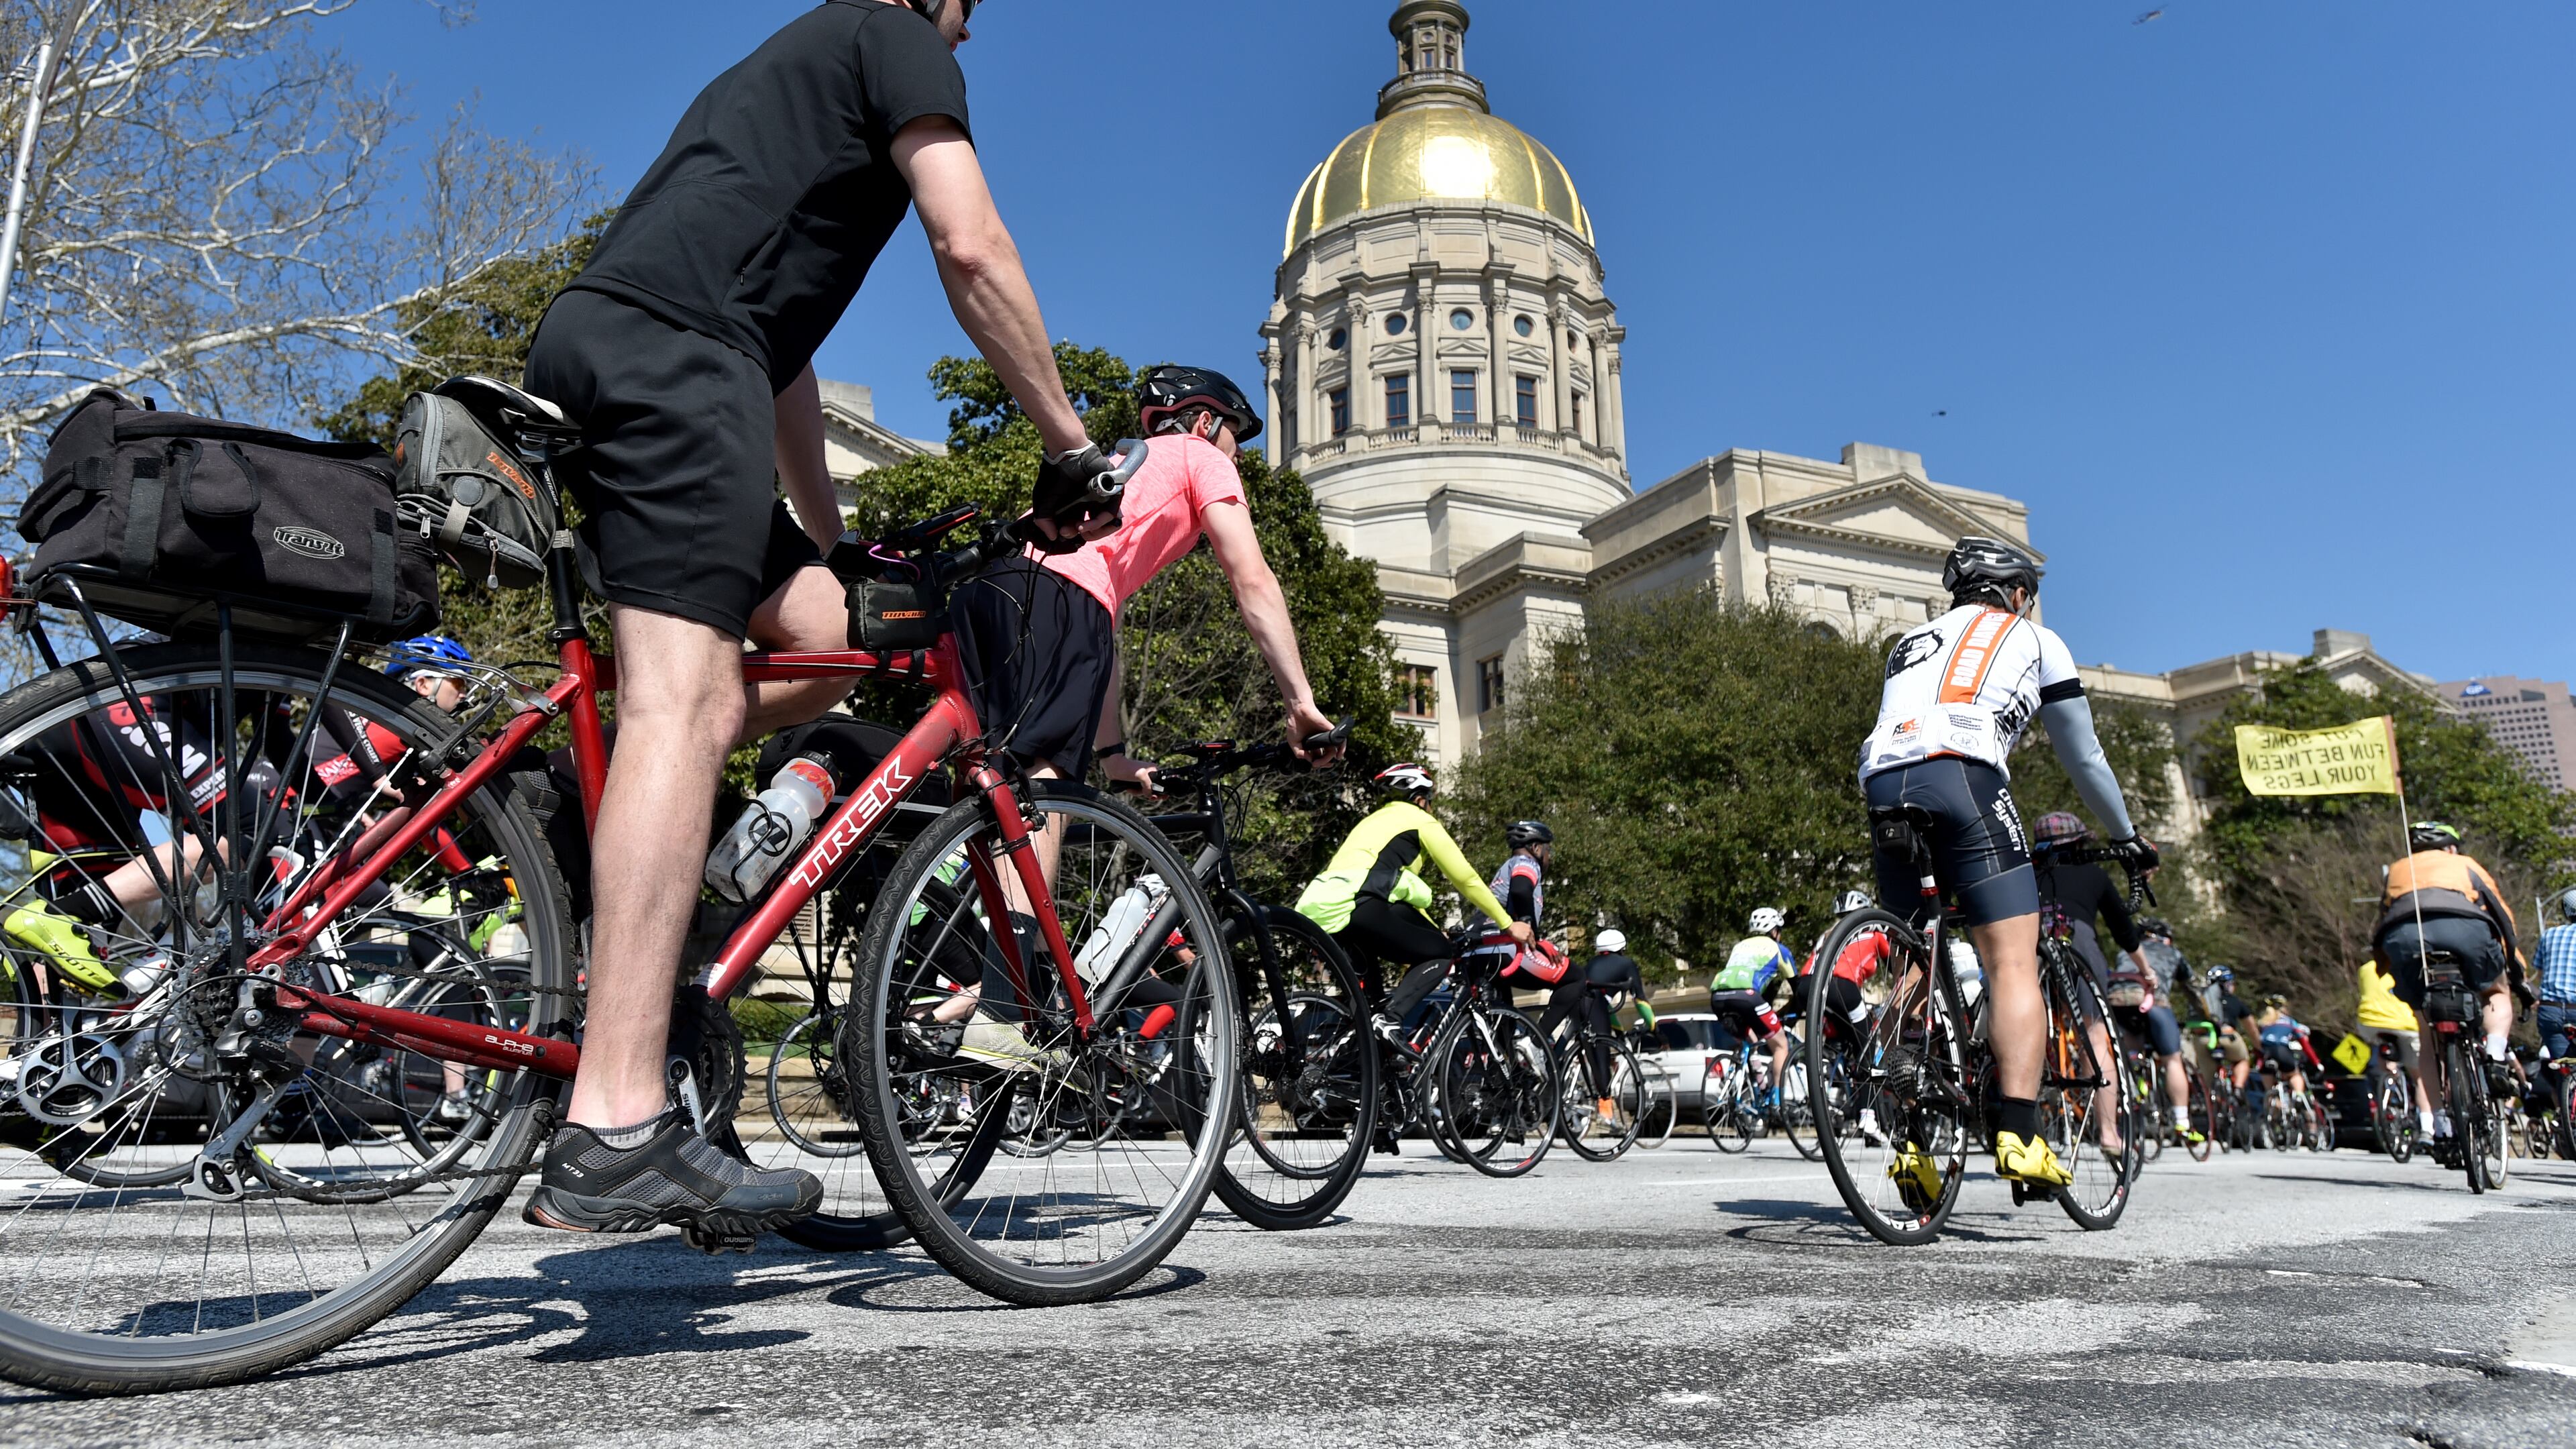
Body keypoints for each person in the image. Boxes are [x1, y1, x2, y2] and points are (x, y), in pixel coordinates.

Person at [516, 0, 1124, 1240]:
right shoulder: (889, 32)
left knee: (824, 635)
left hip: (634, 348)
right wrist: (1070, 444)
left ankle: (661, 899)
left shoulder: (783, 74)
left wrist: (831, 553)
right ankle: (617, 1119)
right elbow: (972, 246)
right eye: (967, 15)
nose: (968, 36)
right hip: (679, 365)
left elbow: (784, 369)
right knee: (679, 706)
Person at [928, 364, 1344, 1067]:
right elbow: (1251, 577)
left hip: (995, 593)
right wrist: (1299, 701)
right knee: (1043, 788)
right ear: (1208, 422)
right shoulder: (1201, 459)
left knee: (996, 787)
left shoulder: (1117, 468)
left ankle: (933, 974)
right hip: (1063, 604)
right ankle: (1001, 1011)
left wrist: (1116, 753)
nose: (1236, 455)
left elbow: (1100, 618)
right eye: (1237, 438)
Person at [1857, 535, 2156, 1191]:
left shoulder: (1908, 643)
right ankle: (2020, 1134)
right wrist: (2128, 836)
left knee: (1919, 958)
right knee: (2012, 958)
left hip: (1882, 782)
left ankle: (1911, 1151)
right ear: (2018, 595)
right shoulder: (2037, 639)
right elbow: (2084, 757)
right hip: (1962, 776)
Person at [1294, 762, 1532, 1152]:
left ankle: (1369, 1108)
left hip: (1321, 911)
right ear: (1421, 798)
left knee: (1367, 1013)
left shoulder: (1372, 824)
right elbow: (1467, 878)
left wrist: (1429, 925)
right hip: (1358, 904)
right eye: (1431, 802)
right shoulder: (1420, 821)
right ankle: (1391, 1022)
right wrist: (1509, 924)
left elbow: (1394, 897)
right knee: (1438, 955)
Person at [2372, 820, 2523, 1157]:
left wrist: (2385, 965)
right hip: (2466, 929)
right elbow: (2502, 915)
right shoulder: (2465, 865)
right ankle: (2496, 1057)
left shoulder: (2397, 869)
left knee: (2426, 1033)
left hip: (2406, 938)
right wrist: (2516, 969)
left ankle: (2440, 1124)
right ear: (2451, 848)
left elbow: (2381, 918)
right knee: (2496, 993)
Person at [2030, 811, 2152, 1157]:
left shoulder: (2027, 875)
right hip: (2077, 940)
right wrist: (2147, 972)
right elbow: (2123, 930)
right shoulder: (2093, 874)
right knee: (2095, 1034)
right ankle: (2110, 1134)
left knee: (2027, 1023)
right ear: (2081, 844)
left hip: (2031, 942)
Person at [1540, 926, 1643, 1123]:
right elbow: (1642, 1002)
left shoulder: (1591, 964)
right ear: (1622, 948)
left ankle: (1550, 1080)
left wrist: (1619, 1032)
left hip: (1577, 1002)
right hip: (1593, 1003)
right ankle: (1605, 1106)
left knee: (1569, 1046)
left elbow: (1604, 1008)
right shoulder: (1626, 964)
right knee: (1600, 1049)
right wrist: (1656, 1029)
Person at [2119, 915, 2202, 1146]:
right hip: (2154, 1002)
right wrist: (2207, 1016)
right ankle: (2182, 1123)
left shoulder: (2126, 950)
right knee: (2172, 1060)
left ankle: (2137, 1081)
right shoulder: (2172, 953)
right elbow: (2193, 989)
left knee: (2131, 1050)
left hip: (2119, 1001)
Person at [1709, 907, 1795, 1112]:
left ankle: (1750, 1079)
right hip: (1746, 996)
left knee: (1751, 1041)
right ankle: (1776, 1101)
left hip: (1718, 997)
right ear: (1774, 931)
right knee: (1781, 1045)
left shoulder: (1739, 946)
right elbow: (1798, 987)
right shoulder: (1779, 949)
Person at [2357, 953, 2432, 1140]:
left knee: (2386, 1051)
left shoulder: (2365, 969)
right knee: (2421, 1078)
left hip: (2369, 1022)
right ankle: (2427, 1127)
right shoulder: (2405, 967)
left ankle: (2389, 1086)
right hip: (2404, 1024)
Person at [2255, 996, 2320, 1120]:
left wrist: (2259, 1061)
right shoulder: (2289, 1022)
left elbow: (2257, 1045)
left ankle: (2274, 1120)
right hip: (2282, 1051)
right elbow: (2304, 1043)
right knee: (2294, 1075)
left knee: (2269, 1092)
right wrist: (2316, 1062)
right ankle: (2299, 1095)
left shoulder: (2263, 1022)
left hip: (2266, 1055)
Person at [2533, 888, 2576, 1065]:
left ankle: (2567, 1089)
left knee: (2563, 1067)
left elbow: (2540, 975)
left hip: (2550, 1010)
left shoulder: (2549, 935)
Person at [1491, 820, 1552, 932]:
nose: (1550, 856)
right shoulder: (1527, 862)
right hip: (1502, 941)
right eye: (1549, 850)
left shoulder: (1509, 865)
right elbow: (1520, 890)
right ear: (1536, 848)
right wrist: (1532, 932)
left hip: (1482, 939)